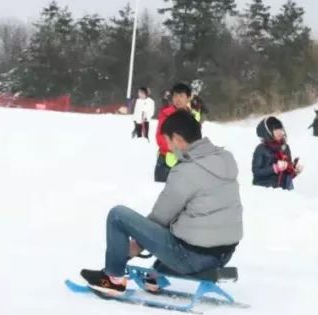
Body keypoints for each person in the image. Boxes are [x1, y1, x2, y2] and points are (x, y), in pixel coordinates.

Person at [79, 110, 243, 296]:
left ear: (178, 139)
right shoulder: (225, 159)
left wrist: (137, 245)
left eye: (168, 140)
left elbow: (160, 217)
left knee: (118, 216)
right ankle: (154, 279)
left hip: (193, 257)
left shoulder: (186, 171)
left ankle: (113, 279)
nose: (168, 146)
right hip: (223, 254)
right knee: (187, 226)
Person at [154, 83, 195, 182]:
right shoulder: (166, 114)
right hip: (166, 161)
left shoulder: (192, 116)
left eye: (181, 96)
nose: (178, 99)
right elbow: (160, 136)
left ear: (188, 98)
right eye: (176, 96)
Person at [252, 116, 302, 190]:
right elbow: (256, 171)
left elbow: (286, 174)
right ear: (268, 132)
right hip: (265, 190)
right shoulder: (261, 149)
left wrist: (294, 170)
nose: (280, 133)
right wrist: (274, 168)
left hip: (283, 190)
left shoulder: (285, 147)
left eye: (280, 130)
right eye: (276, 130)